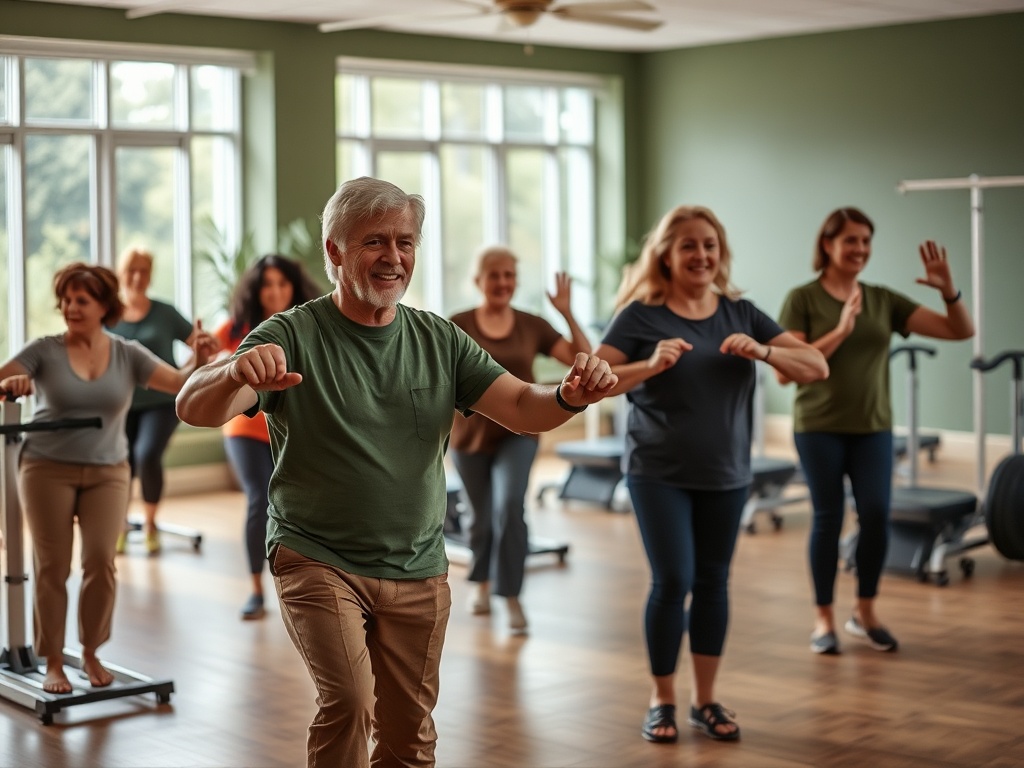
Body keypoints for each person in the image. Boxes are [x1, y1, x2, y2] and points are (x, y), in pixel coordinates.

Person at [176, 176, 617, 768]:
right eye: (375, 242)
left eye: (405, 242)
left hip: (418, 565)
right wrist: (232, 374)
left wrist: (567, 395)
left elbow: (518, 406)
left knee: (410, 737)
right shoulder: (291, 334)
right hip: (318, 556)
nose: (394, 257)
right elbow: (193, 406)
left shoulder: (438, 338)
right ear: (334, 251)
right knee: (352, 703)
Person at [592, 205, 828, 745]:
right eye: (689, 246)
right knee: (673, 580)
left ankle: (705, 699)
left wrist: (767, 351)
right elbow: (594, 381)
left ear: (720, 255)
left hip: (726, 473)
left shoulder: (742, 313)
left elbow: (817, 366)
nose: (701, 255)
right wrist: (647, 366)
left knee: (713, 583)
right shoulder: (639, 317)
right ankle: (662, 698)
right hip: (658, 473)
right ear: (667, 257)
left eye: (710, 246)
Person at [0, 262, 215, 695]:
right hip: (46, 468)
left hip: (108, 471)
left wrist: (201, 360)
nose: (71, 307)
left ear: (103, 305)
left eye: (82, 299)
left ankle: (92, 651)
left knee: (101, 560)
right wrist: (16, 382)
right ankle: (54, 661)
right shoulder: (44, 350)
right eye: (66, 299)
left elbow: (177, 383)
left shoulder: (125, 353)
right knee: (53, 566)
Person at [777, 207, 973, 656]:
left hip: (872, 429)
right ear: (828, 244)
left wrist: (950, 292)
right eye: (851, 241)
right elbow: (788, 371)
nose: (861, 249)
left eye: (866, 241)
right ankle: (823, 617)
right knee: (827, 520)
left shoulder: (882, 300)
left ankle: (864, 611)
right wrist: (842, 330)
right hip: (819, 427)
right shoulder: (802, 299)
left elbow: (960, 330)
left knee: (877, 516)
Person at [449, 246, 592, 633]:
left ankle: (510, 595)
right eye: (494, 275)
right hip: (470, 438)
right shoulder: (457, 324)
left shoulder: (532, 325)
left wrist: (565, 311)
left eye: (509, 275)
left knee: (510, 507)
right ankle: (481, 580)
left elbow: (583, 359)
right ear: (479, 281)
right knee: (480, 518)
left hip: (520, 433)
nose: (502, 283)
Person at [211, 254, 321, 621]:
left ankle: (306, 587)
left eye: (282, 283)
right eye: (267, 284)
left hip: (295, 430)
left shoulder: (309, 325)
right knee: (260, 500)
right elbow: (206, 366)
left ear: (294, 287)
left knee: (299, 504)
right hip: (246, 430)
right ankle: (257, 590)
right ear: (256, 290)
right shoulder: (236, 327)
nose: (274, 291)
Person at [111, 246, 214, 555]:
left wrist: (202, 354)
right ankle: (120, 525)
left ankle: (151, 524)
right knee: (121, 462)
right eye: (132, 270)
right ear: (121, 273)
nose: (138, 277)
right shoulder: (110, 315)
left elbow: (200, 345)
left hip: (161, 401)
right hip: (121, 404)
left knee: (146, 455)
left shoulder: (165, 313)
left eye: (144, 271)